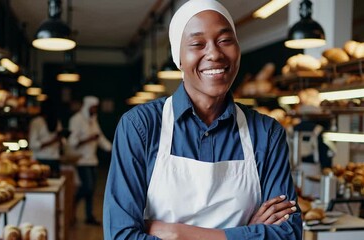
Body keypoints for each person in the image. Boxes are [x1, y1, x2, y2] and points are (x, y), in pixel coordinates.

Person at [103, 0, 302, 239]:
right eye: (197, 43)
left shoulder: (266, 132)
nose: (215, 54)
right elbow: (121, 235)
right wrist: (245, 233)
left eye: (225, 40)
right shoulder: (141, 126)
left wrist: (177, 233)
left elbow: (288, 234)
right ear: (179, 57)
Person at [68, 95, 112, 225]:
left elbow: (100, 138)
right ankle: (72, 205)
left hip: (92, 160)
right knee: (87, 187)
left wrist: (112, 148)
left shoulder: (93, 120)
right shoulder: (76, 120)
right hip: (81, 160)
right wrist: (88, 139)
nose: (95, 110)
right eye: (93, 108)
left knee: (91, 190)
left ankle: (89, 216)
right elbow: (72, 142)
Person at [28, 98, 63, 178]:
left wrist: (60, 140)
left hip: (54, 158)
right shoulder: (37, 122)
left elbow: (61, 143)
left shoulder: (56, 122)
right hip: (41, 159)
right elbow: (33, 144)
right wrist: (53, 141)